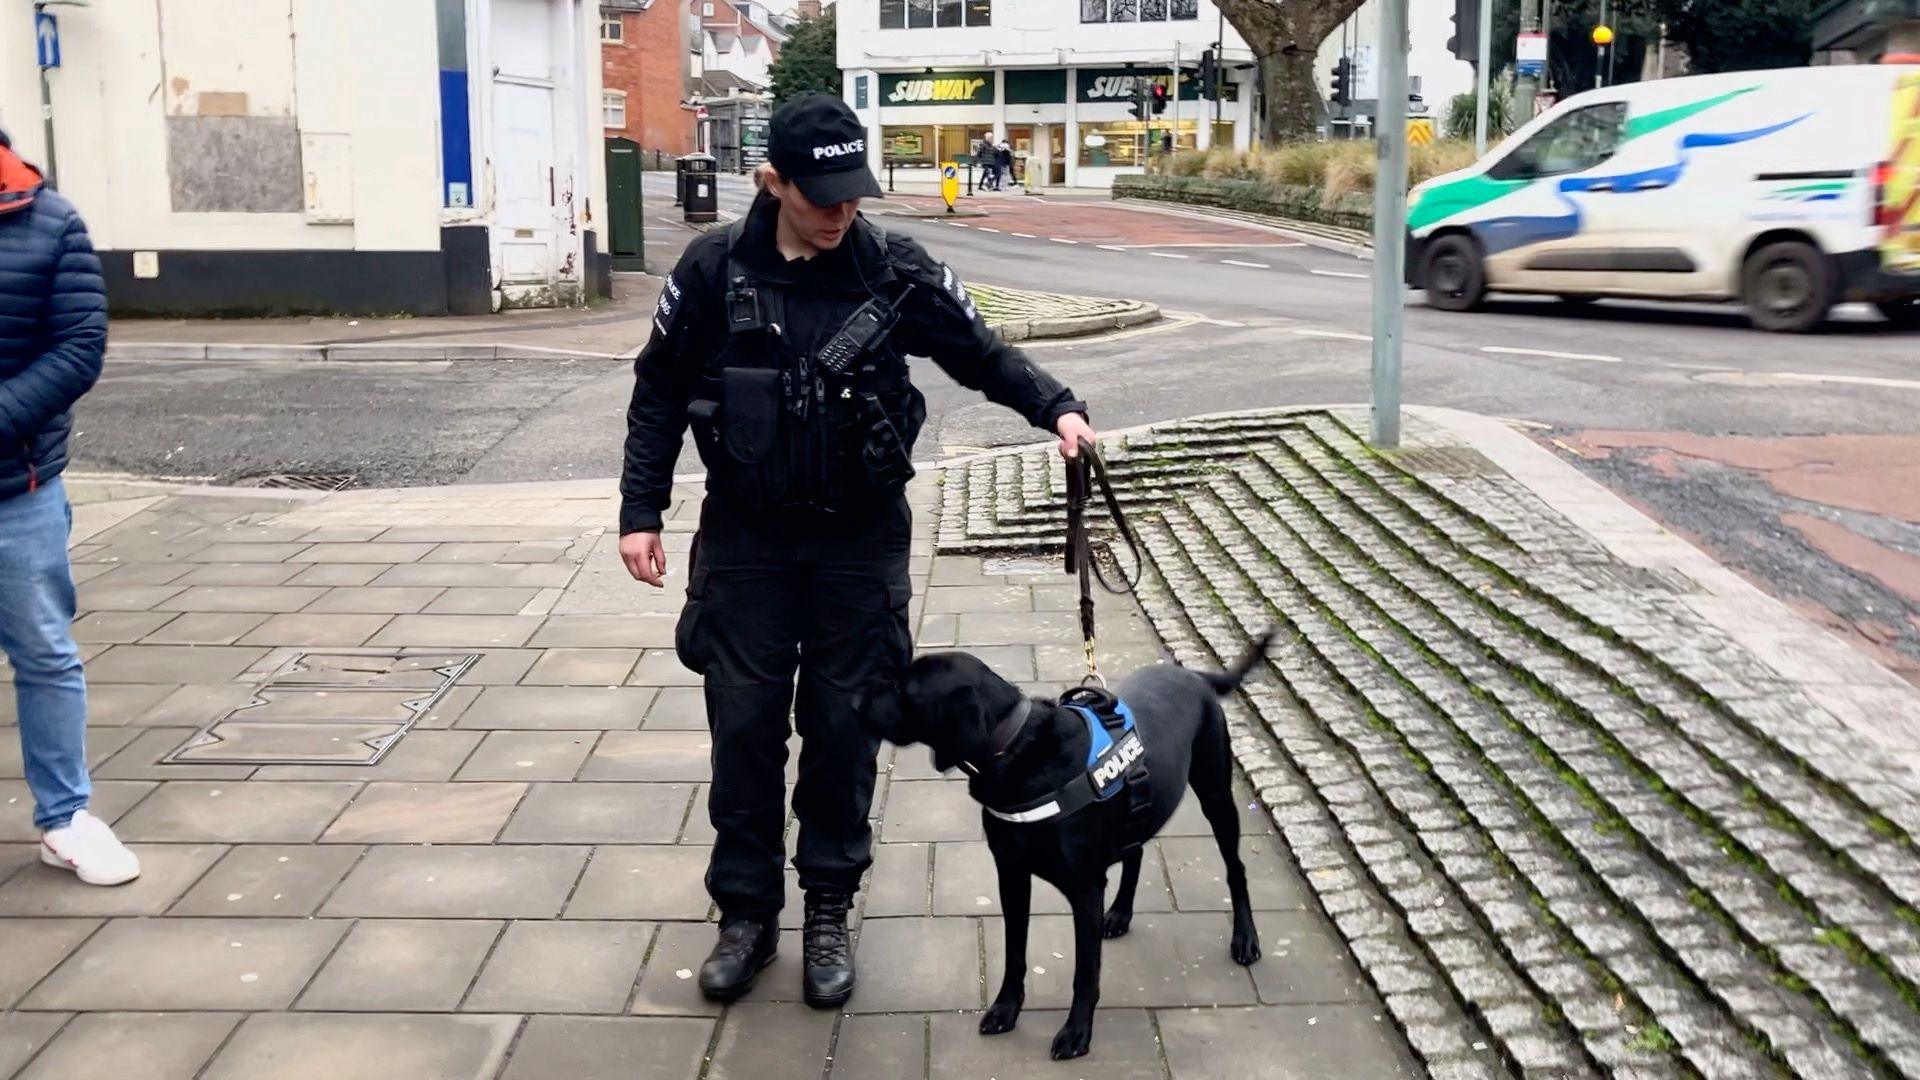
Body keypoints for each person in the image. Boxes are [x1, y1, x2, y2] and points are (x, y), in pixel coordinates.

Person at [619, 93, 1094, 1007]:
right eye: (821, 196)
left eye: (853, 195)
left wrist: (1056, 406)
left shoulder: (896, 270)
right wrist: (642, 511)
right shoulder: (714, 269)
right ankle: (747, 916)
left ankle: (829, 906)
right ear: (773, 182)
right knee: (747, 734)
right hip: (747, 542)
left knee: (845, 733)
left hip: (861, 543)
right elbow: (658, 393)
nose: (842, 213)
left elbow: (981, 352)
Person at [0, 130, 137, 886]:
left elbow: (79, 346)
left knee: (45, 656)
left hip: (14, 492)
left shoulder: (49, 221)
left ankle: (64, 819)